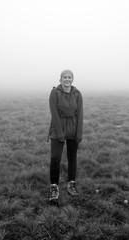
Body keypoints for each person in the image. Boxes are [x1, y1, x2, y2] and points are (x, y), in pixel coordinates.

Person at [48, 69, 83, 202]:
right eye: (64, 77)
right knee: (55, 158)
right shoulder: (54, 92)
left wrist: (79, 133)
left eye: (69, 77)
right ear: (60, 79)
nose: (67, 79)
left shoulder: (77, 94)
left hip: (73, 129)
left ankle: (71, 185)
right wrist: (60, 133)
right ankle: (54, 187)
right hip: (58, 128)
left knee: (72, 158)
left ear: (72, 79)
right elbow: (54, 114)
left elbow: (80, 114)